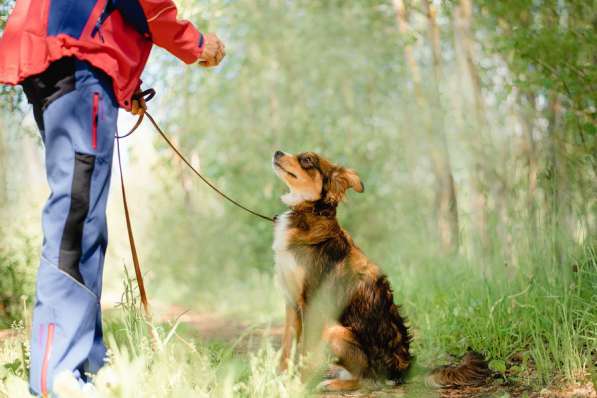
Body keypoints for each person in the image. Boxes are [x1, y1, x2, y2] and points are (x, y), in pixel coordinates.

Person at [0, 1, 225, 395]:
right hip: (77, 64)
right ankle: (58, 377)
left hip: (57, 65)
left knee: (85, 219)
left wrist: (124, 86)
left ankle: (86, 366)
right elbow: (147, 7)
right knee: (76, 216)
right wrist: (197, 44)